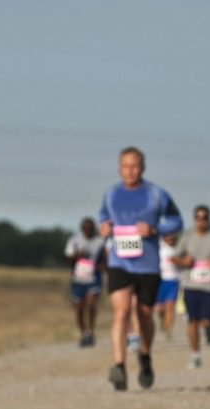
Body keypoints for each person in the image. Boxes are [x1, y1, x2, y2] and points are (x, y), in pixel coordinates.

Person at [98, 147, 183, 390]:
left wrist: (155, 229)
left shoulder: (156, 194)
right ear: (119, 168)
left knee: (145, 315)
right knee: (121, 312)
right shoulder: (111, 194)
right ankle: (119, 366)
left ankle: (145, 356)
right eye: (126, 166)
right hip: (119, 263)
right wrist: (103, 228)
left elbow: (177, 221)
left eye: (135, 166)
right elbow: (102, 218)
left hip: (147, 265)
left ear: (143, 168)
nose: (130, 171)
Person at [173, 205, 210, 368]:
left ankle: (209, 329)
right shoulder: (187, 237)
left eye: (205, 217)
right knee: (192, 321)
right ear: (194, 219)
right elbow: (174, 258)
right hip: (190, 284)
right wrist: (184, 262)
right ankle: (195, 355)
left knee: (205, 321)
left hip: (209, 286)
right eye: (198, 217)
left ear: (209, 219)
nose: (201, 221)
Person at [64, 217, 106, 346]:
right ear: (82, 229)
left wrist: (103, 265)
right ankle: (83, 333)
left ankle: (91, 332)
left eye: (90, 229)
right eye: (85, 229)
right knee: (79, 308)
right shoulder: (74, 240)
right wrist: (76, 255)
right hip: (78, 279)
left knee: (91, 303)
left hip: (93, 278)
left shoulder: (100, 241)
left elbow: (106, 257)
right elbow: (67, 257)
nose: (88, 231)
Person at [155, 234, 180, 340]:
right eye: (167, 237)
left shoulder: (178, 249)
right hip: (160, 281)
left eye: (172, 237)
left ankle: (168, 330)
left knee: (170, 306)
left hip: (173, 281)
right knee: (159, 309)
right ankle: (162, 320)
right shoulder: (159, 247)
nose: (170, 239)